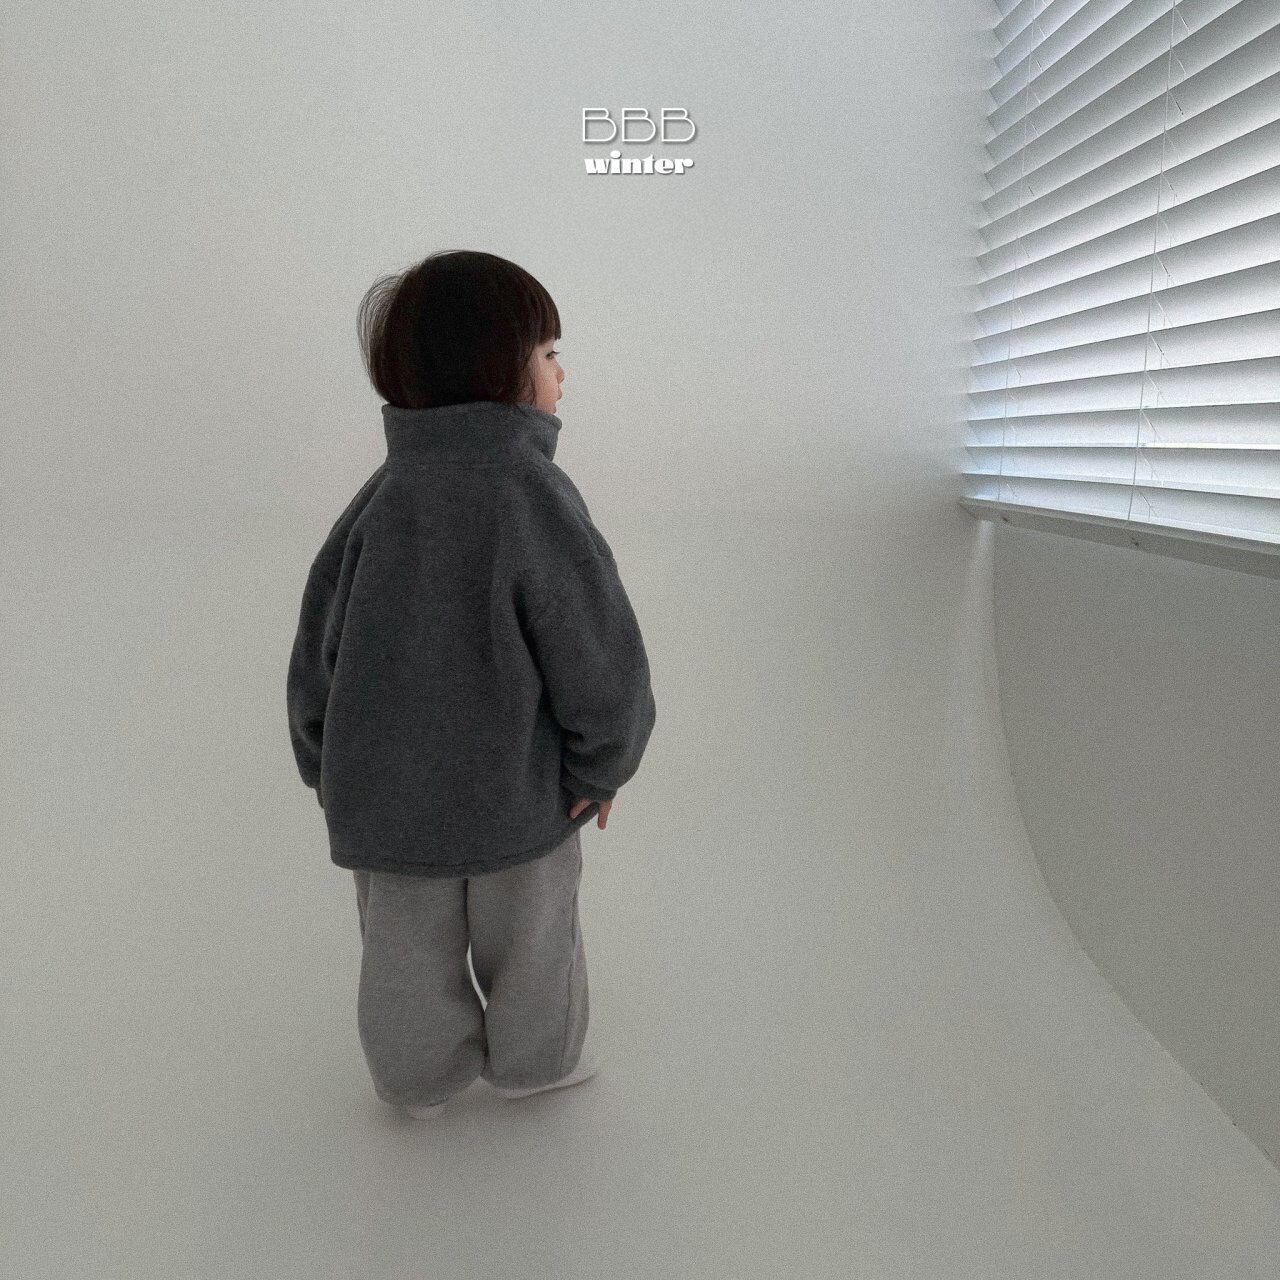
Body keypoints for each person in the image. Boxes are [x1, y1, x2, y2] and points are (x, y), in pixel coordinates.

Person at [285, 250, 657, 1116]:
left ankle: (416, 1080)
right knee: (534, 948)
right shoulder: (532, 493)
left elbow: (318, 645)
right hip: (517, 803)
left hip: (385, 805)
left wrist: (321, 761)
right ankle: (536, 1064)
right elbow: (596, 647)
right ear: (502, 371)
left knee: (402, 960)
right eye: (549, 353)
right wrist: (603, 764)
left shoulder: (378, 501)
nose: (562, 373)